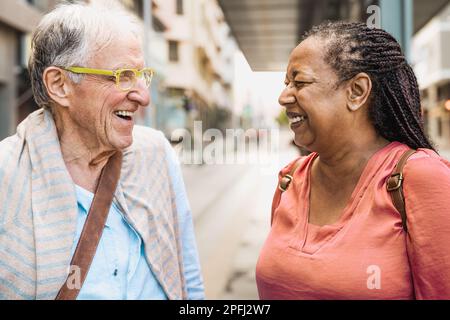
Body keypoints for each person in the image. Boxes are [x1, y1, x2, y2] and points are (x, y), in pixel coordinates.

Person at [0, 0, 204, 300]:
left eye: (141, 75)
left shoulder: (156, 153)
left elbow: (188, 278)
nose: (143, 97)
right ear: (59, 85)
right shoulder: (7, 174)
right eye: (123, 76)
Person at [256, 21, 450, 300]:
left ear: (357, 91)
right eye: (287, 83)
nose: (284, 97)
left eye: (299, 82)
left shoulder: (420, 179)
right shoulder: (289, 180)